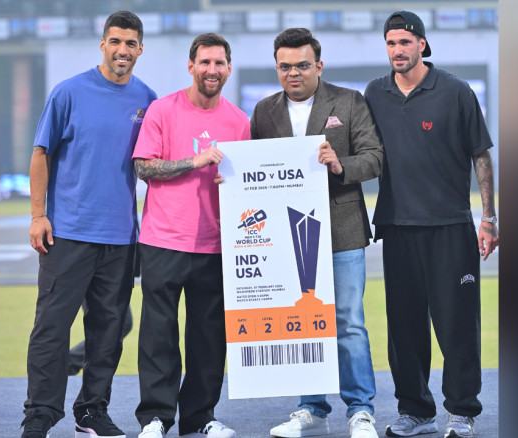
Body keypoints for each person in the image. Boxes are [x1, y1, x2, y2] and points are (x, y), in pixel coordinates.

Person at [363, 11, 499, 438]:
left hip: (450, 227)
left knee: (457, 325)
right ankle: (416, 412)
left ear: (422, 44)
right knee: (404, 329)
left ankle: (462, 411)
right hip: (397, 226)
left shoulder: (455, 91)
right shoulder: (375, 92)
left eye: (405, 42)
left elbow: (480, 155)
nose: (397, 50)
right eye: (390, 43)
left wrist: (489, 217)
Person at [21, 11, 156, 438]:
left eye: (130, 43)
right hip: (67, 235)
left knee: (108, 332)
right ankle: (40, 414)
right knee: (51, 329)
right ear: (103, 44)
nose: (122, 50)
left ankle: (91, 412)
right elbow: (40, 153)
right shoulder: (69, 93)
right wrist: (38, 215)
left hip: (121, 238)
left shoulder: (148, 100)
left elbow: (155, 165)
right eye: (115, 41)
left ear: (140, 49)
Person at [249, 28, 385, 438]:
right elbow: (254, 168)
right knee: (303, 320)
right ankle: (311, 408)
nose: (294, 73)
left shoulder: (349, 101)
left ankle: (361, 411)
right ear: (277, 68)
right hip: (287, 234)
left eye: (302, 65)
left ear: (319, 66)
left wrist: (340, 164)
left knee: (348, 322)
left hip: (341, 229)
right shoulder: (263, 111)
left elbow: (375, 158)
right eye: (285, 66)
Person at [131, 33, 250, 438]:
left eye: (219, 63)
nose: (211, 70)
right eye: (204, 62)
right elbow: (143, 167)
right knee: (158, 336)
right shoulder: (163, 110)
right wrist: (195, 161)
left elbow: (245, 180)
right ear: (191, 66)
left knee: (209, 338)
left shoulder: (239, 121)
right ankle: (156, 418)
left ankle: (199, 418)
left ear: (228, 69)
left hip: (215, 243)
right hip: (163, 239)